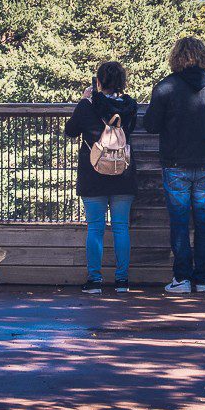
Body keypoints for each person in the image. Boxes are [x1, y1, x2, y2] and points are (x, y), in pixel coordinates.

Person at [143, 37, 205, 294]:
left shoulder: (165, 88)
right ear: (204, 57)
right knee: (204, 221)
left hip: (175, 164)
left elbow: (150, 124)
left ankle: (181, 278)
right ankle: (202, 279)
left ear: (176, 57)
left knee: (179, 222)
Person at [64, 61, 138, 295]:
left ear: (98, 82)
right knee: (120, 228)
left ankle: (95, 281)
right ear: (122, 82)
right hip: (123, 171)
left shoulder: (88, 106)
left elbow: (70, 131)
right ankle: (122, 281)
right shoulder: (130, 106)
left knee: (95, 228)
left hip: (93, 172)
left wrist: (86, 99)